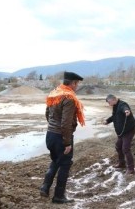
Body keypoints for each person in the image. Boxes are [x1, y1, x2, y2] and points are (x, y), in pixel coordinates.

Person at [40, 71, 85, 204]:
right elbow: (66, 123)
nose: (77, 87)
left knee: (55, 161)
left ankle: (45, 187)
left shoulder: (54, 93)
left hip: (50, 135)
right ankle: (59, 196)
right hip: (61, 136)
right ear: (73, 83)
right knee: (65, 164)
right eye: (77, 84)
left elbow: (47, 114)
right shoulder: (69, 98)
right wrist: (67, 143)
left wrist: (53, 128)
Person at [104, 94, 135, 175]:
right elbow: (114, 116)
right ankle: (122, 163)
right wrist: (107, 121)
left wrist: (127, 111)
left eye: (109, 102)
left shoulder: (122, 104)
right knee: (118, 146)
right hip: (121, 133)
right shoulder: (115, 106)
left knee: (125, 149)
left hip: (128, 131)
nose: (109, 104)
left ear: (113, 100)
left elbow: (125, 108)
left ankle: (131, 169)